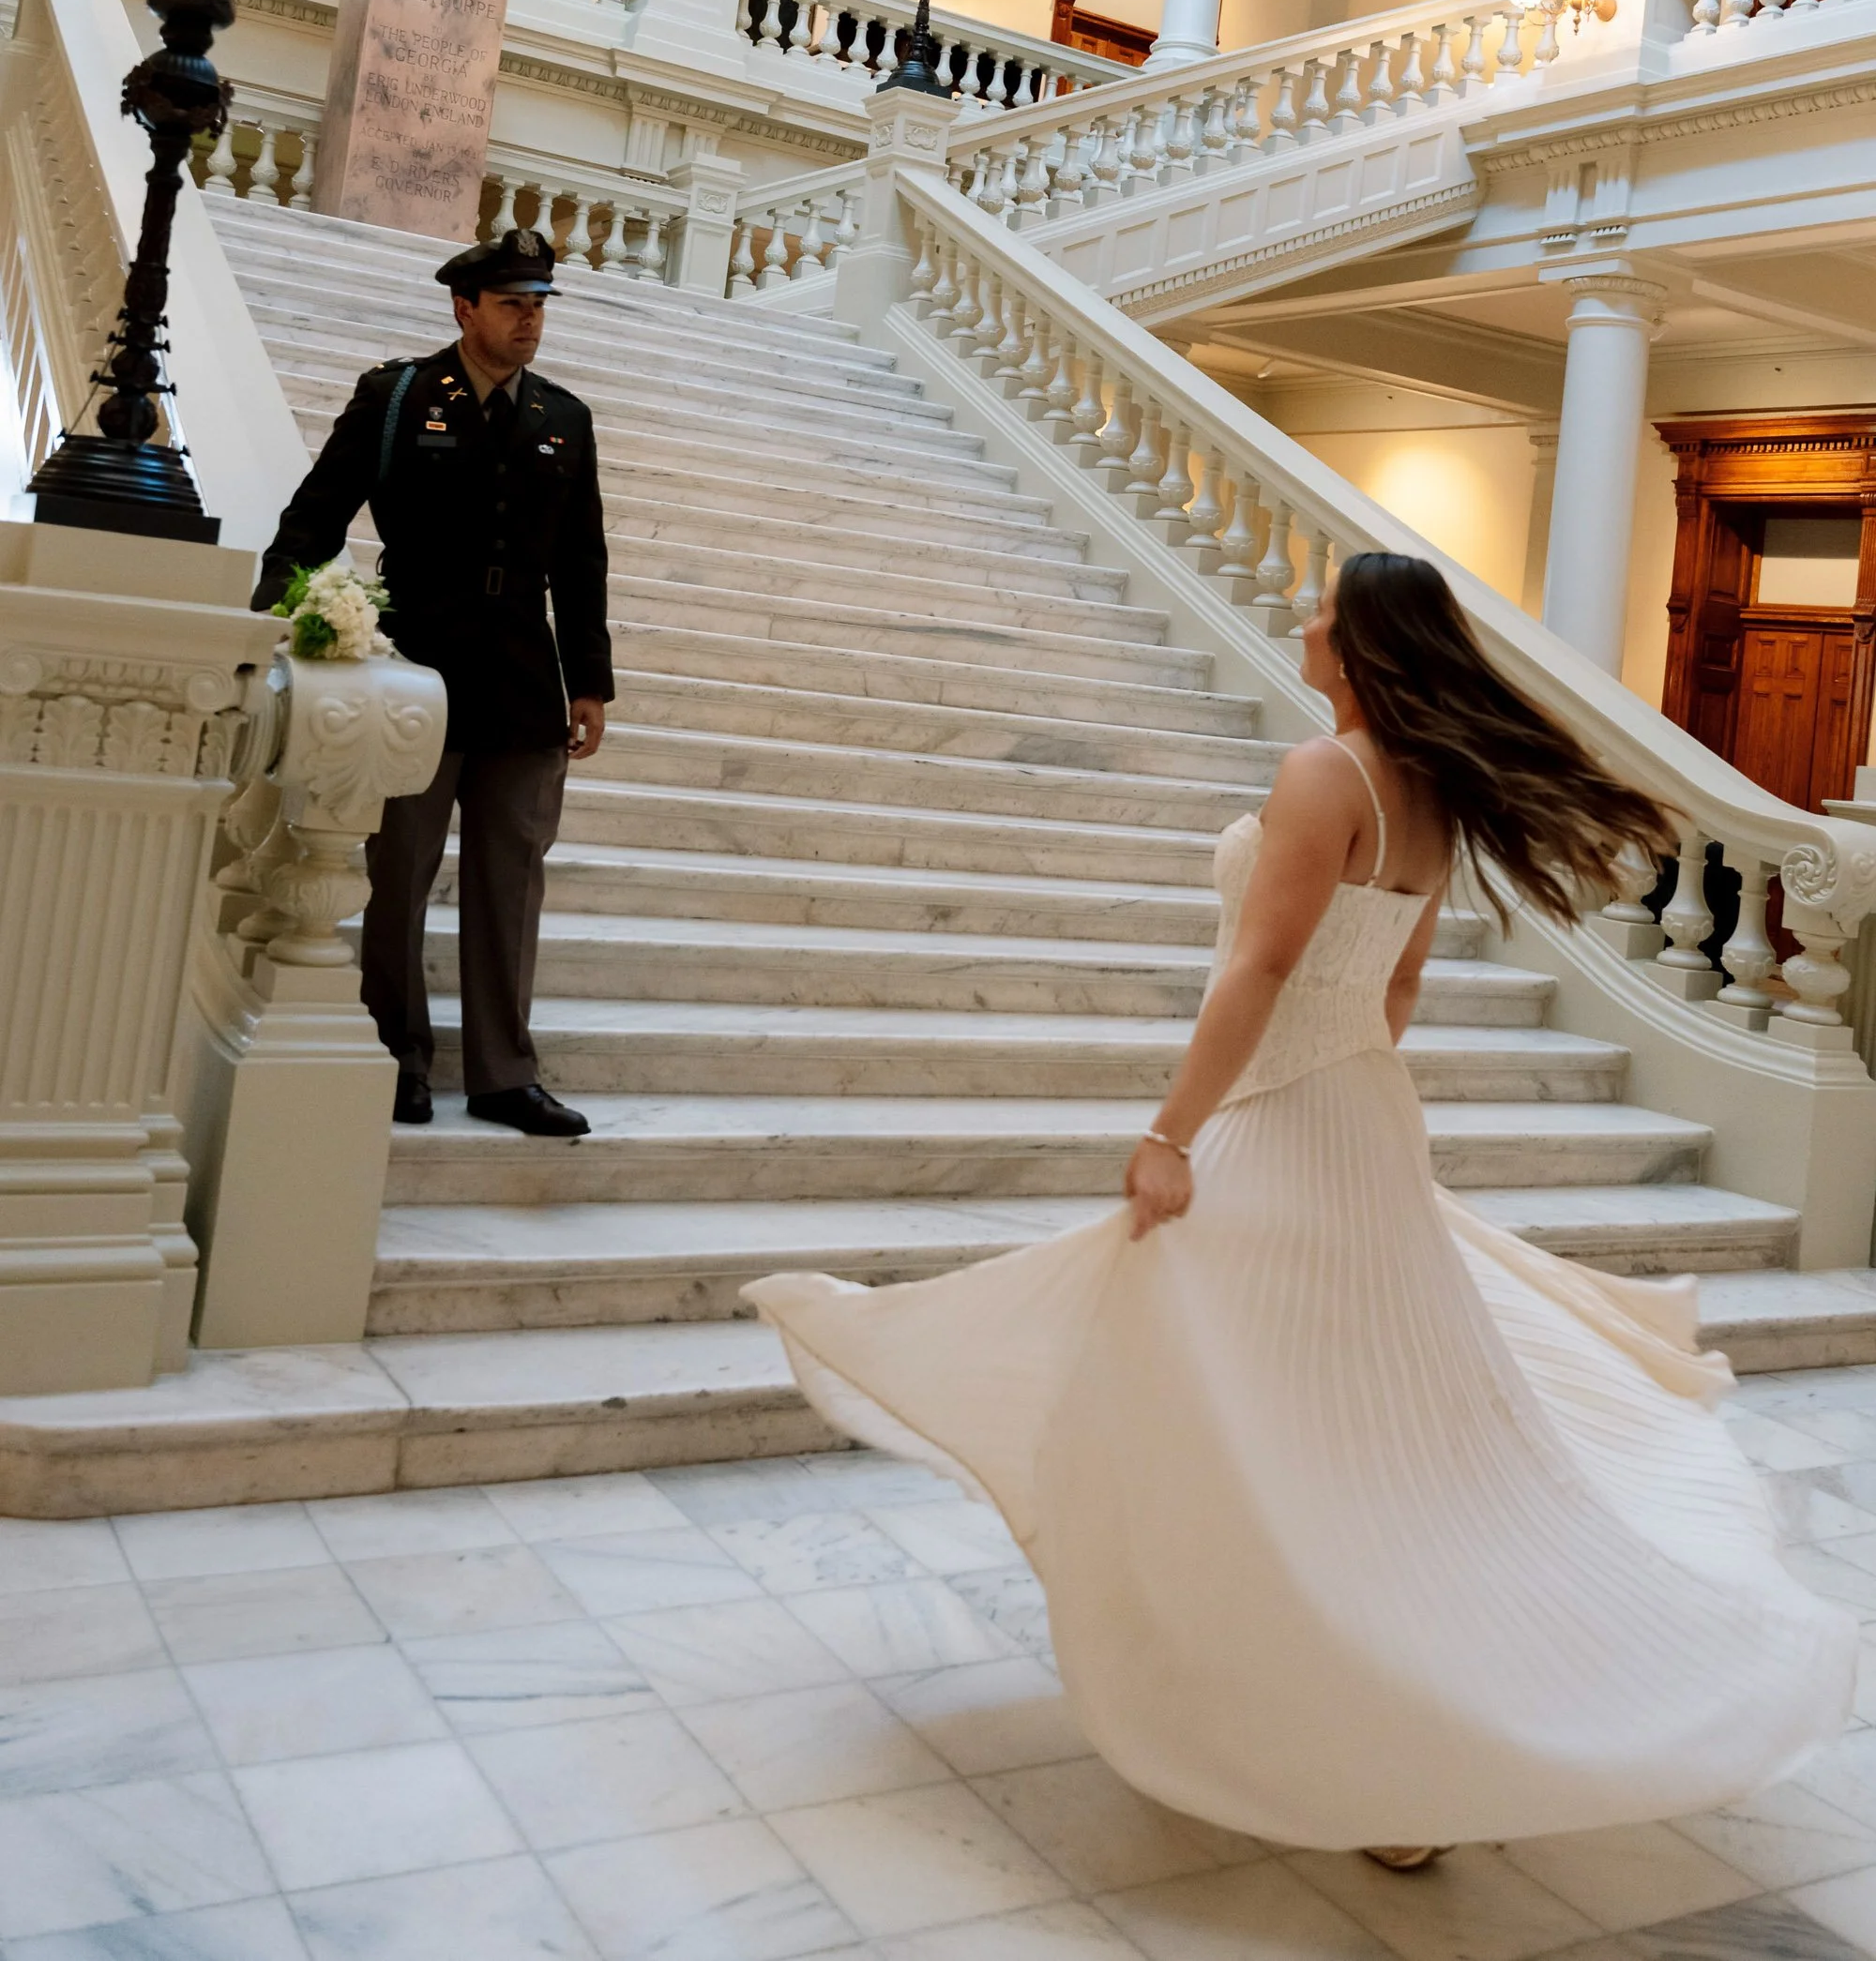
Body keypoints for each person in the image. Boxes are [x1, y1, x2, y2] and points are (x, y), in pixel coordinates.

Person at [747, 551, 1854, 1860]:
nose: (1305, 617)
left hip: (1281, 1117)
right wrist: (1351, 1106)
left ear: (1368, 641)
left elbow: (1262, 966)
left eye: (1327, 607)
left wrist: (1173, 1132)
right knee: (1334, 1422)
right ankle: (1341, 1707)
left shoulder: (1325, 776)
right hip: (1360, 1111)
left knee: (1258, 1411)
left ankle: (1337, 1718)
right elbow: (1391, 996)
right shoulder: (1429, 794)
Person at [252, 225, 613, 1139]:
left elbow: (580, 563)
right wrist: (266, 617)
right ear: (465, 308)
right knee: (399, 870)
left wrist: (590, 680)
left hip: (524, 683)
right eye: (512, 305)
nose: (530, 322)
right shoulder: (398, 396)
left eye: (538, 307)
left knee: (509, 881)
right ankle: (395, 1057)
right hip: (413, 673)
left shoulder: (563, 419)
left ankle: (502, 1073)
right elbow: (315, 516)